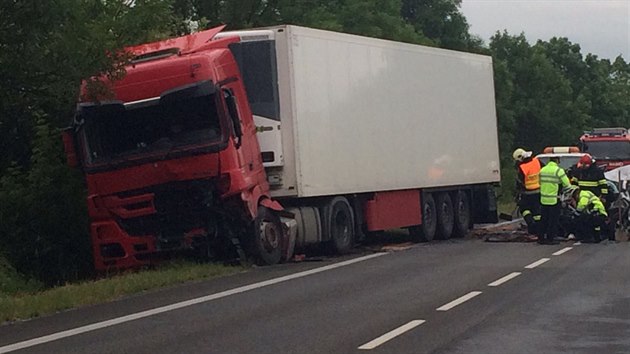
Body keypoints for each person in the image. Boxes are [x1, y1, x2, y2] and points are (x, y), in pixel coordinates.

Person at [538, 156, 571, 244]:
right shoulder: (558, 171)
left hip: (543, 199)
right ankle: (550, 238)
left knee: (544, 219)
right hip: (554, 199)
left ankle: (541, 238)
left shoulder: (542, 170)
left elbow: (539, 183)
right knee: (553, 220)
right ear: (557, 160)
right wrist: (563, 192)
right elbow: (567, 185)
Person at [512, 148, 544, 235]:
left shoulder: (522, 167)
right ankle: (539, 229)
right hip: (539, 191)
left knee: (524, 209)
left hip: (527, 193)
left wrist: (517, 192)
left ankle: (531, 224)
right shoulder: (536, 161)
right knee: (537, 211)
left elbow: (519, 181)